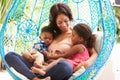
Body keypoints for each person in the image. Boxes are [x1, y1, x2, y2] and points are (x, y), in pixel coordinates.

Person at [5, 3, 98, 80]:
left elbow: (94, 53)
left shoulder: (77, 36)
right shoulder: (53, 35)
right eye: (60, 22)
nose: (64, 25)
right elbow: (40, 47)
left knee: (65, 66)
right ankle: (35, 79)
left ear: (70, 18)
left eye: (66, 21)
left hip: (56, 70)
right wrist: (32, 54)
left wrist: (86, 63)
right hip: (40, 65)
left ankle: (37, 76)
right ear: (55, 23)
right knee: (10, 56)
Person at [30, 23, 96, 76]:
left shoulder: (79, 47)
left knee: (61, 60)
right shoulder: (84, 48)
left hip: (73, 65)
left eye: (73, 35)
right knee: (58, 61)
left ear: (80, 39)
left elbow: (65, 55)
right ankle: (43, 68)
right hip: (74, 65)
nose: (71, 37)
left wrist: (50, 56)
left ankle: (44, 69)